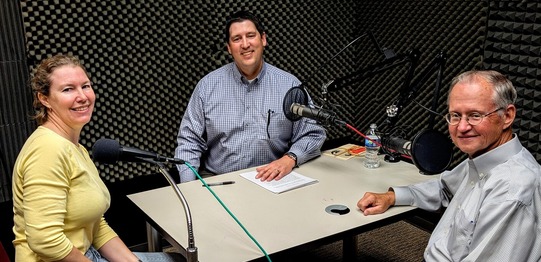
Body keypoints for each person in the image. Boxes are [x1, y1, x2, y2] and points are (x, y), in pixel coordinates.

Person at [357, 70, 541, 261]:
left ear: (508, 116)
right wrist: (392, 196)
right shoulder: (484, 158)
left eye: (475, 115)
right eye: (455, 115)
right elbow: (444, 188)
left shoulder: (511, 190)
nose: (461, 127)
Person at [12, 54, 179, 262]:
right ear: (44, 99)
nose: (82, 96)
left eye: (86, 86)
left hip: (88, 252)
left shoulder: (76, 148)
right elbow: (45, 240)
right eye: (68, 89)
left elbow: (96, 225)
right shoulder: (48, 150)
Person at [175, 10, 326, 183]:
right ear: (229, 48)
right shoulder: (207, 87)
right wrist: (187, 188)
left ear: (263, 39)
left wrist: (289, 159)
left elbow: (313, 133)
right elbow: (189, 142)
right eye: (237, 39)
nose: (245, 44)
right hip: (219, 180)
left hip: (271, 180)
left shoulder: (290, 85)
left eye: (250, 35)